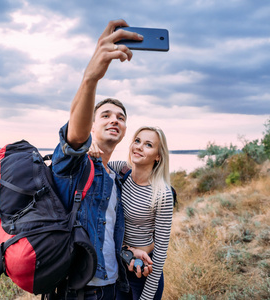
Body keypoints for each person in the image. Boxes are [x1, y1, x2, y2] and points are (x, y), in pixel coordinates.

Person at [49, 19, 150, 299]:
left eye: (120, 118)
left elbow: (104, 235)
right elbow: (73, 139)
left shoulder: (115, 178)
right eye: (105, 115)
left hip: (115, 286)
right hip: (80, 291)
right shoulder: (75, 167)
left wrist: (128, 253)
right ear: (91, 126)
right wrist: (90, 78)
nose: (114, 120)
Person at [89, 126, 173, 300]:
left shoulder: (162, 193)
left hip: (143, 271)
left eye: (148, 144)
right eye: (137, 141)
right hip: (118, 264)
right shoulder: (120, 171)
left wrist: (147, 296)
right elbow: (92, 172)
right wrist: (90, 147)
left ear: (158, 156)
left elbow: (160, 252)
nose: (139, 146)